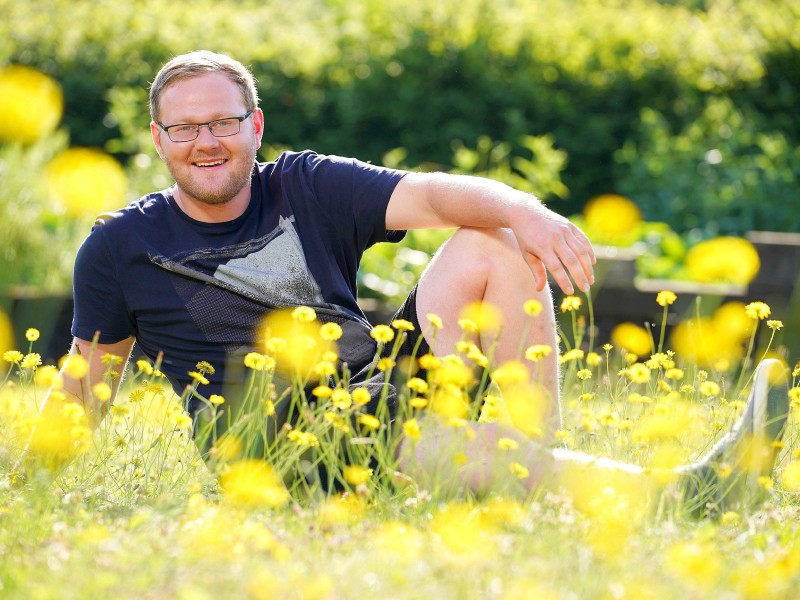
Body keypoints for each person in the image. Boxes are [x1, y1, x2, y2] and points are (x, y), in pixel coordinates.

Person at [35, 51, 790, 510]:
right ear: (158, 140)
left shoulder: (305, 184)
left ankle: (524, 464)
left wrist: (529, 213)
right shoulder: (120, 247)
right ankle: (698, 492)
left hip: (380, 389)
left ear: (255, 126)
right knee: (418, 443)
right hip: (285, 446)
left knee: (493, 239)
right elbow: (83, 388)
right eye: (185, 128)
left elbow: (432, 195)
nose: (206, 142)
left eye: (222, 123)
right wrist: (23, 484)